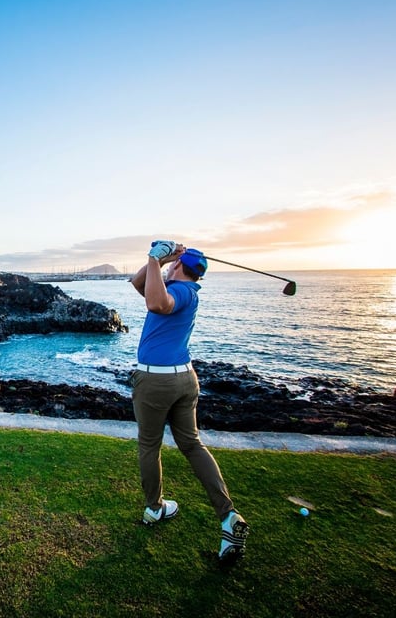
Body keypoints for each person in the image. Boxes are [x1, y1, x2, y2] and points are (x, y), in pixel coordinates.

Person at [129, 240, 249, 562]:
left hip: (157, 380)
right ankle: (227, 515)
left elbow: (156, 304)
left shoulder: (180, 293)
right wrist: (156, 259)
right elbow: (138, 284)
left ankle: (154, 509)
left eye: (173, 263)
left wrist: (158, 257)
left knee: (149, 445)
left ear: (180, 267)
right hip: (184, 378)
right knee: (192, 444)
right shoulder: (174, 287)